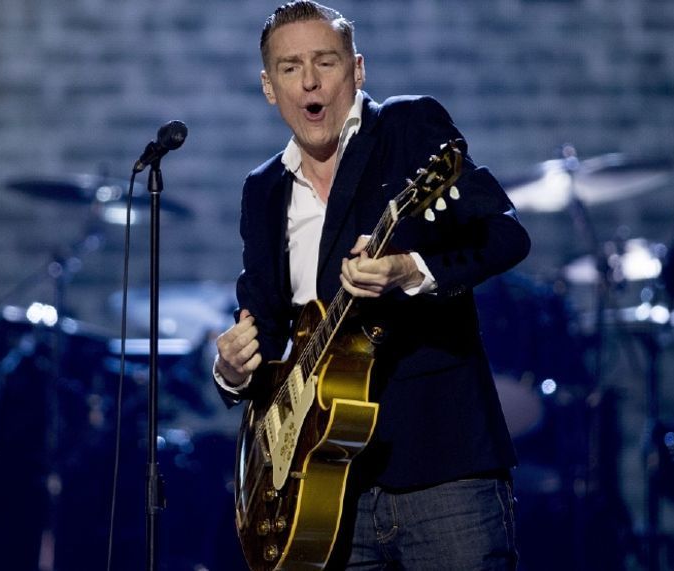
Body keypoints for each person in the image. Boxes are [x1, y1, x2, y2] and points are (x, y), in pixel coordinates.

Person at [214, 2, 531, 568]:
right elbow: (261, 319)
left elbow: (506, 236)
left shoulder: (408, 128)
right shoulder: (262, 189)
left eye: (325, 62)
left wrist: (413, 270)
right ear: (269, 86)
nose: (309, 81)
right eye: (289, 68)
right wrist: (235, 369)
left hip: (443, 468)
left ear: (357, 69)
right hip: (329, 490)